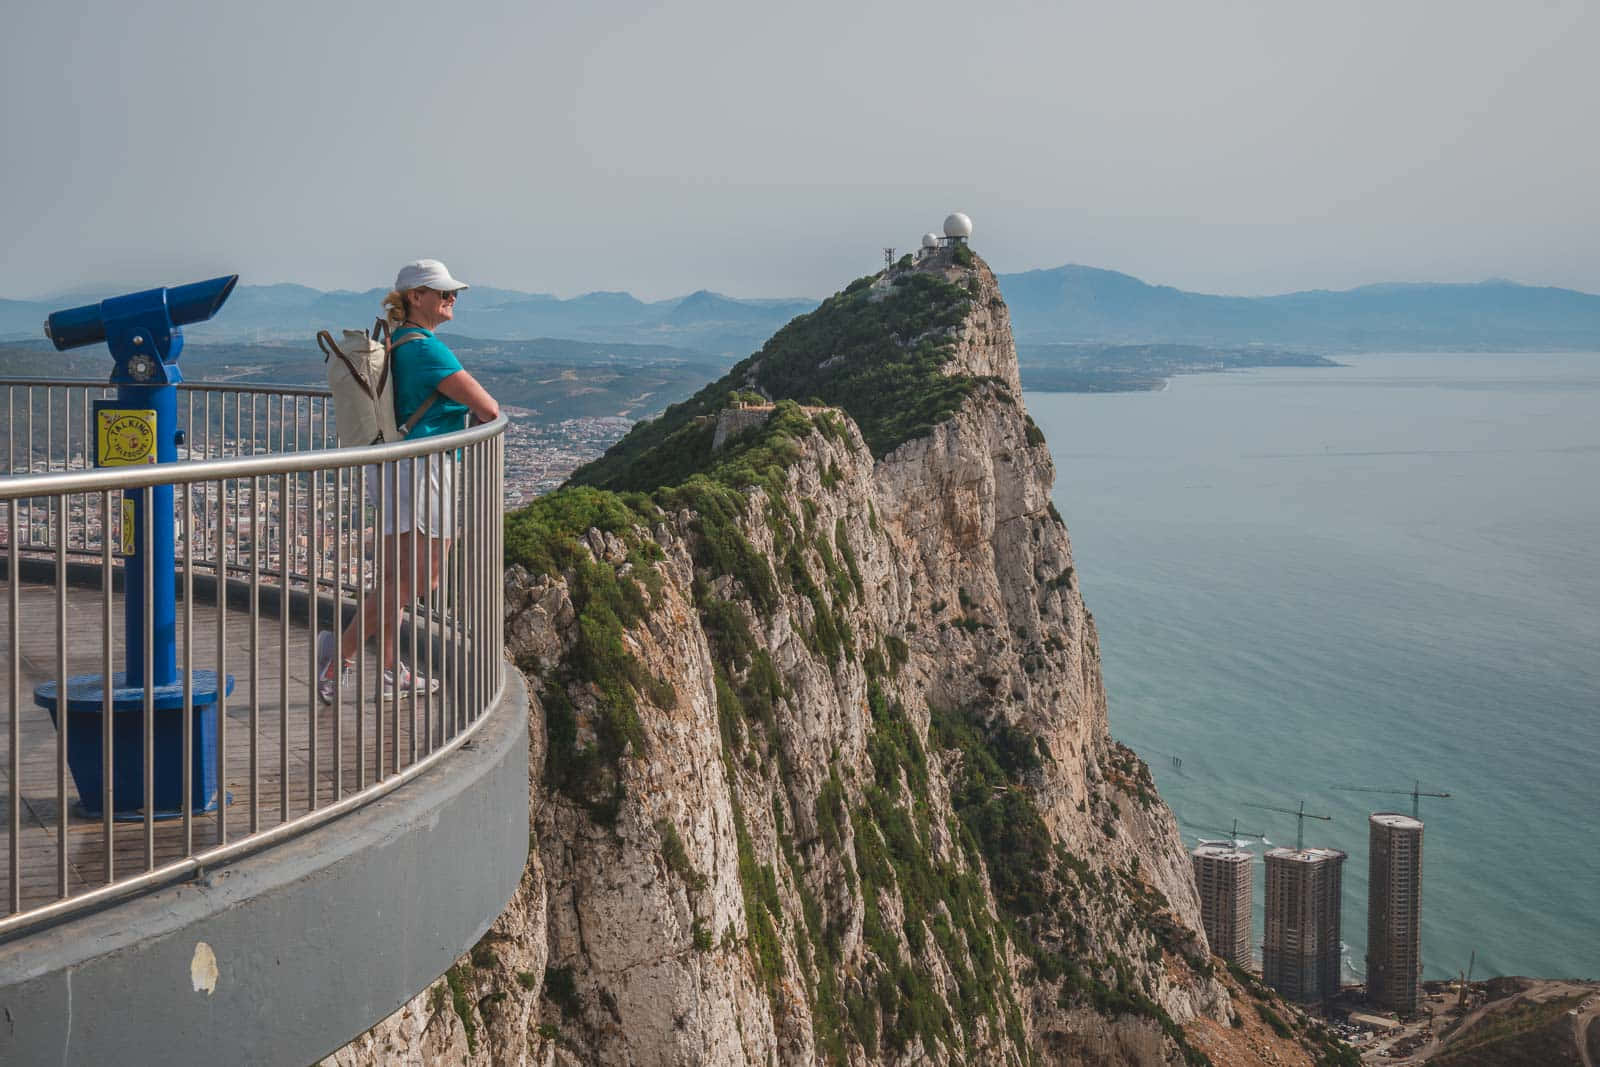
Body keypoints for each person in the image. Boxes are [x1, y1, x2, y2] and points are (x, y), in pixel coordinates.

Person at [316, 259, 500, 703]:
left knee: (400, 576)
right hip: (423, 471)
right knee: (421, 580)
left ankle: (388, 667)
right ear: (416, 297)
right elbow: (489, 409)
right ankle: (338, 657)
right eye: (442, 292)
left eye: (452, 291)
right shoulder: (427, 349)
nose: (451, 298)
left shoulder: (396, 341)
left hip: (397, 467)